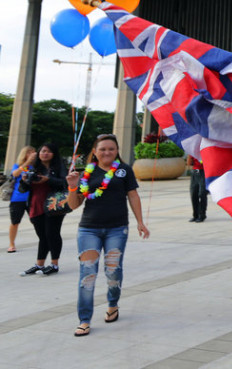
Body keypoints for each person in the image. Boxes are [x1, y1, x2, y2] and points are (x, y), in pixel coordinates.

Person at [65, 134, 149, 337]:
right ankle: (84, 319)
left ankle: (113, 304)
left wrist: (140, 222)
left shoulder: (124, 170)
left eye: (111, 148)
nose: (107, 152)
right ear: (95, 151)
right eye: (102, 149)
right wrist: (73, 186)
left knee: (113, 271)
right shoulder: (86, 173)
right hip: (88, 229)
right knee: (87, 274)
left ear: (117, 150)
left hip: (116, 229)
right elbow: (73, 205)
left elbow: (133, 195)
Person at [20, 142, 67, 277]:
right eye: (42, 151)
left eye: (48, 151)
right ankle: (39, 264)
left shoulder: (59, 167)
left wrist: (48, 179)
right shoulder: (34, 169)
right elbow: (22, 189)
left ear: (54, 153)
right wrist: (24, 180)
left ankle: (54, 264)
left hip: (54, 206)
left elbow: (64, 182)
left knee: (52, 234)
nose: (44, 154)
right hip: (36, 206)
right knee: (42, 236)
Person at [8, 145, 35, 253]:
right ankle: (11, 244)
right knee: (15, 222)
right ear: (25, 154)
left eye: (33, 152)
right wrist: (27, 162)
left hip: (32, 198)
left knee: (37, 221)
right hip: (18, 198)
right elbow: (15, 174)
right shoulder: (18, 166)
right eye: (30, 152)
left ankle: (44, 240)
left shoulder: (35, 167)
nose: (33, 154)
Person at [186, 153, 207, 223]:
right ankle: (195, 215)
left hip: (204, 172)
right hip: (195, 172)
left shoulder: (205, 149)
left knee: (202, 193)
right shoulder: (193, 149)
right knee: (193, 194)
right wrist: (189, 153)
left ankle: (202, 215)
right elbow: (188, 163)